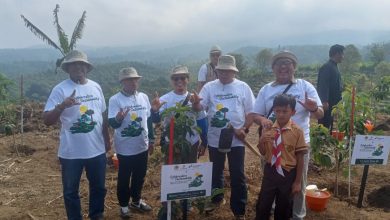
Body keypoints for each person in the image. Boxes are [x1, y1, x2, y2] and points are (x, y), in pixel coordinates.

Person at [251, 51, 324, 220]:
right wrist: (263, 121)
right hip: (272, 144)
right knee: (272, 181)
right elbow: (255, 114)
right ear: (273, 68)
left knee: (297, 183)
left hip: (298, 144)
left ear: (294, 67)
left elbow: (319, 113)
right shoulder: (266, 89)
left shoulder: (305, 86)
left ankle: (297, 215)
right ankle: (277, 210)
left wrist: (313, 107)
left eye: (287, 63)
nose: (283, 66)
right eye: (279, 63)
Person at [43, 50, 110, 220]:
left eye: (82, 64)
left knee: (99, 188)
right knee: (70, 191)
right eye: (74, 64)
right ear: (68, 68)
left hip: (96, 149)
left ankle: (96, 215)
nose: (78, 67)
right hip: (71, 153)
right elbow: (47, 120)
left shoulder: (96, 87)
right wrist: (61, 106)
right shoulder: (60, 89)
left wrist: (107, 140)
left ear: (87, 68)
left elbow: (102, 115)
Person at [193, 55, 255, 220]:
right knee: (216, 171)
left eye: (228, 71)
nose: (224, 74)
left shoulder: (243, 87)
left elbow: (251, 112)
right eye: (221, 71)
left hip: (237, 139)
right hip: (215, 138)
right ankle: (216, 198)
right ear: (217, 71)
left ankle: (239, 209)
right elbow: (201, 107)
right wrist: (195, 103)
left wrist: (244, 129)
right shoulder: (209, 87)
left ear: (233, 72)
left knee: (238, 173)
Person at [108, 67, 154, 218]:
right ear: (123, 82)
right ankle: (123, 205)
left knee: (139, 176)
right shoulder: (115, 99)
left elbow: (148, 120)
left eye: (135, 79)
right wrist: (119, 118)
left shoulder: (143, 97)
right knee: (124, 177)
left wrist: (151, 140)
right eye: (129, 80)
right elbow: (112, 124)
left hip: (142, 145)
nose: (133, 82)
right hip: (125, 148)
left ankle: (136, 200)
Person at [255, 94, 308, 220]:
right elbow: (263, 153)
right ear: (274, 110)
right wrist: (261, 140)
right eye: (278, 111)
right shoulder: (267, 129)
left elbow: (300, 158)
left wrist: (297, 182)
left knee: (283, 207)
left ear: (293, 112)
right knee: (263, 205)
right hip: (270, 172)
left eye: (285, 111)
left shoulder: (298, 132)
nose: (281, 114)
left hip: (288, 174)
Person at [151, 65, 207, 163]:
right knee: (173, 174)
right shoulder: (165, 99)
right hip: (172, 143)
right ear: (171, 81)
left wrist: (204, 141)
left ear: (188, 79)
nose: (179, 81)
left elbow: (201, 120)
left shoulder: (195, 98)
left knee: (189, 173)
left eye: (183, 78)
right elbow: (156, 120)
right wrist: (154, 111)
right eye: (175, 79)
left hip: (191, 143)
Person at [317, 44, 345, 129]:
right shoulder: (327, 67)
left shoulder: (334, 67)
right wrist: (324, 101)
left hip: (333, 103)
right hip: (327, 103)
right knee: (324, 125)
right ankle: (321, 141)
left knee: (329, 124)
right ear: (337, 54)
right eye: (342, 54)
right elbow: (323, 84)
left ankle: (326, 141)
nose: (343, 57)